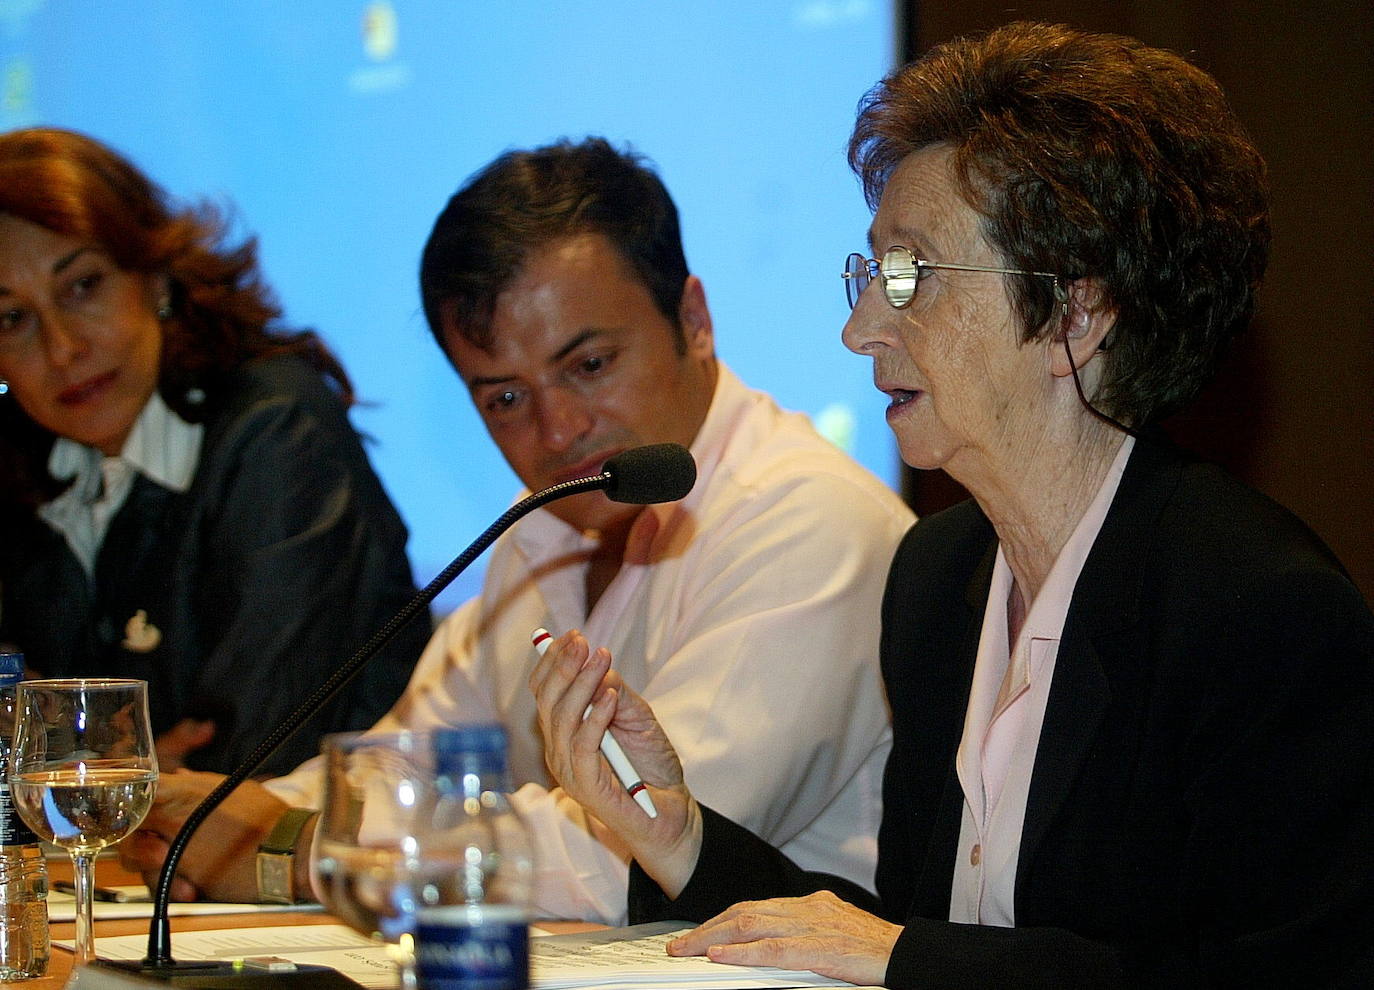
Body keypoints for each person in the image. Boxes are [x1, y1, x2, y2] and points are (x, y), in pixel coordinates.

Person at [529, 23, 1374, 987]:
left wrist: (908, 955)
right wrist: (672, 832)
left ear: (1075, 316)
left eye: (909, 276)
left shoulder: (1256, 610)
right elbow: (896, 942)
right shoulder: (940, 578)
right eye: (869, 272)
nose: (859, 329)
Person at [120, 137, 914, 922]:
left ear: (695, 320)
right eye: (505, 399)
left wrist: (290, 846)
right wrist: (215, 818)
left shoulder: (809, 520)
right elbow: (404, 761)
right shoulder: (541, 523)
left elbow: (633, 853)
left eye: (590, 365)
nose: (559, 429)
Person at [0, 128, 428, 777]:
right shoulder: (26, 469)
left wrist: (88, 771)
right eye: (12, 319)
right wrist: (111, 771)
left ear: (155, 276)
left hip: (336, 869)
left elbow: (239, 771)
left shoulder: (275, 429)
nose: (63, 349)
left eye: (83, 286)